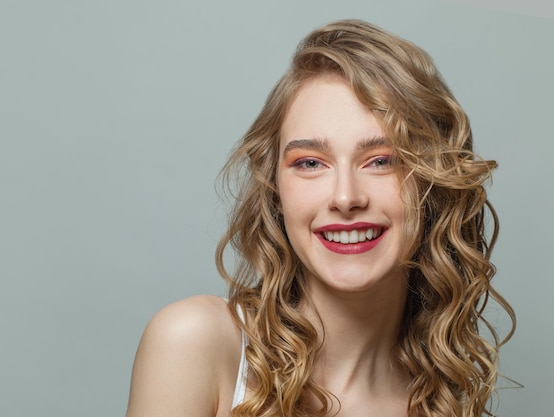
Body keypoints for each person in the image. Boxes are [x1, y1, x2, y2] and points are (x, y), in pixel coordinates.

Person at [125, 19, 515, 417]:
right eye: (310, 162)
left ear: (435, 185)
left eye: (382, 161)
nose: (346, 197)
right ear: (275, 189)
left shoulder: (441, 402)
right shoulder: (195, 342)